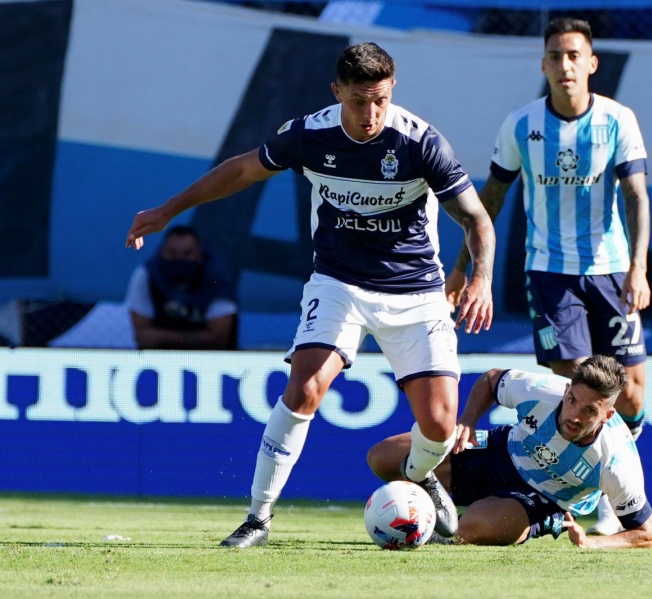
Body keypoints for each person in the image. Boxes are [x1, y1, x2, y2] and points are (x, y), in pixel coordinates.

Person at [125, 42, 496, 547]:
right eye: (359, 100)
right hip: (339, 282)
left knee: (438, 424)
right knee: (303, 390)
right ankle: (258, 518)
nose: (371, 114)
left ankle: (419, 475)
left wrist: (481, 278)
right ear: (336, 91)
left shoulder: (420, 142)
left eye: (381, 100)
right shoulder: (309, 134)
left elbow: (475, 217)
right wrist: (169, 210)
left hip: (415, 290)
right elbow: (240, 170)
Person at [445, 17, 651, 535]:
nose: (565, 65)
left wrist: (639, 266)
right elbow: (488, 201)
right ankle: (566, 499)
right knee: (577, 383)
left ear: (591, 63)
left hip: (612, 273)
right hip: (550, 273)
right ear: (544, 64)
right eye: (556, 56)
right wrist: (464, 267)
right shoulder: (520, 125)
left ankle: (611, 490)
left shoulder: (618, 120)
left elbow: (636, 196)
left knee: (632, 396)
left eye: (574, 55)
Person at [367, 355, 652, 549]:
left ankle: (546, 522)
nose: (574, 415)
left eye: (589, 411)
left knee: (465, 531)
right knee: (384, 457)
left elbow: (648, 535)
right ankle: (431, 505)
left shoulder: (616, 461)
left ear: (607, 416)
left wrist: (593, 543)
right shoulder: (541, 390)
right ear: (567, 389)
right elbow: (492, 379)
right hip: (500, 449)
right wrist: (468, 421)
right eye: (572, 400)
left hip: (544, 496)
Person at [123, 225, 238, 350]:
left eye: (187, 254)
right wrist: (197, 337)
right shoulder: (146, 274)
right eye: (172, 254)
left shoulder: (217, 276)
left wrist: (161, 336)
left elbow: (218, 339)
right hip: (159, 357)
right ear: (162, 253)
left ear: (200, 254)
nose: (179, 260)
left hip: (209, 358)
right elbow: (143, 337)